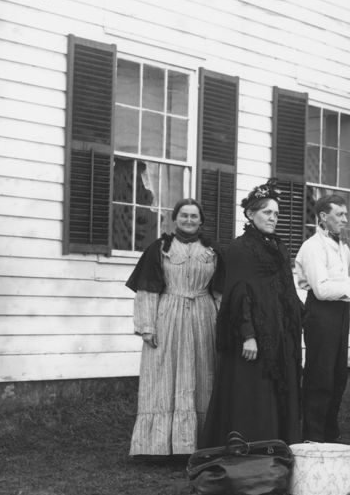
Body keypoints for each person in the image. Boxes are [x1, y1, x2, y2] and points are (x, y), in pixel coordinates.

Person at [202, 179, 302, 446]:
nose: (273, 218)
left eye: (276, 214)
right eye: (267, 212)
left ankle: (278, 447)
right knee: (255, 392)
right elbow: (237, 295)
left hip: (279, 332)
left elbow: (286, 290)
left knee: (278, 389)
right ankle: (252, 449)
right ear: (250, 214)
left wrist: (296, 325)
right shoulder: (239, 249)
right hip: (253, 338)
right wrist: (248, 335)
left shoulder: (277, 247)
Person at [125, 198, 223, 455]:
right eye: (184, 216)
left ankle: (198, 443)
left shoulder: (213, 251)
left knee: (202, 374)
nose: (189, 220)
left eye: (194, 216)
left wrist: (224, 325)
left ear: (201, 221)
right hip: (168, 315)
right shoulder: (160, 249)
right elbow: (146, 289)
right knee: (163, 375)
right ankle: (157, 446)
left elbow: (221, 293)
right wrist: (147, 325)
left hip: (203, 316)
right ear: (175, 218)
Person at [295, 195, 350, 443]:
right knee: (320, 376)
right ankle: (312, 436)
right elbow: (322, 289)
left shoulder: (343, 247)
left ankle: (329, 434)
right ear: (323, 218)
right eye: (340, 214)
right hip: (320, 312)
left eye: (346, 214)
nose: (345, 219)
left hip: (341, 312)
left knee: (338, 375)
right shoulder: (312, 247)